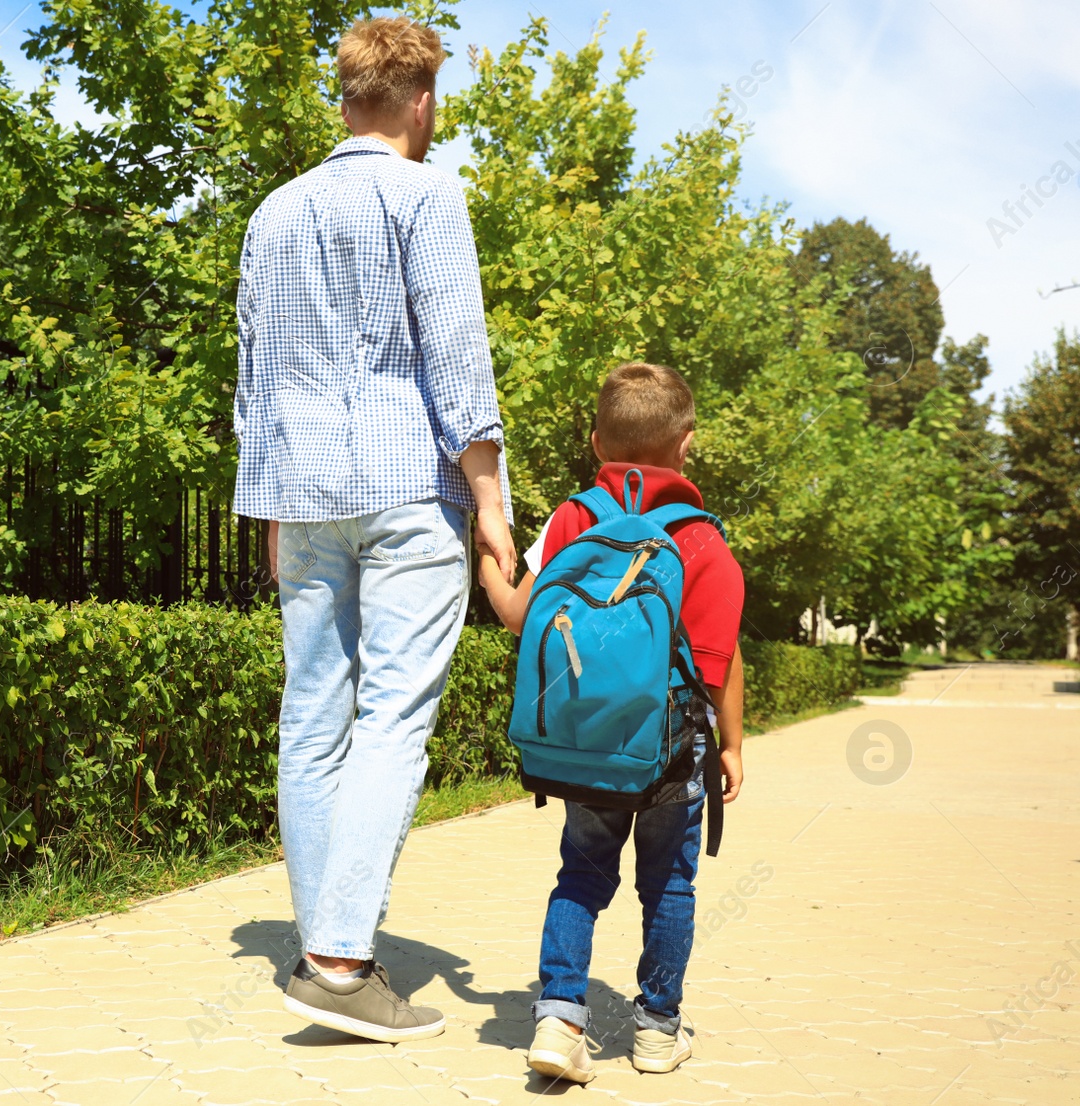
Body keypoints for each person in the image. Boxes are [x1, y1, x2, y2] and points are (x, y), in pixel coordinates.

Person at [233, 15, 515, 1043]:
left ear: (344, 96)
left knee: (312, 714)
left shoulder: (272, 211)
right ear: (421, 99)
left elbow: (252, 373)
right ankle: (342, 965)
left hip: (301, 491)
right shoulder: (428, 192)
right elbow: (456, 352)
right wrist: (492, 502)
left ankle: (323, 947)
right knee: (392, 716)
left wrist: (262, 502)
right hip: (405, 488)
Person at [477, 362, 745, 1081]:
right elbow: (719, 663)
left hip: (586, 747)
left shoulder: (574, 519)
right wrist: (734, 748)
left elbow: (520, 617)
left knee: (581, 875)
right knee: (670, 887)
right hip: (674, 750)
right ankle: (657, 1030)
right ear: (687, 445)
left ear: (597, 443)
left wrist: (486, 571)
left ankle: (560, 1020)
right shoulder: (703, 540)